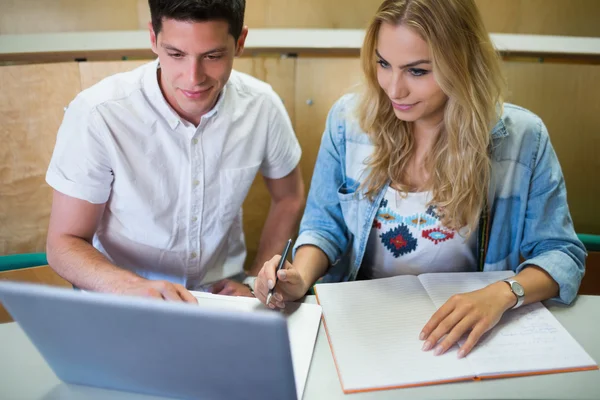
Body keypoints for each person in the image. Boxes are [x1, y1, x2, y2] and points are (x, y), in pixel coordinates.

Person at [254, 0, 586, 358]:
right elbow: (324, 227)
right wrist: (299, 277)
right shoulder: (347, 123)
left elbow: (562, 254)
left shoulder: (523, 139)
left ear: (461, 64)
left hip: (466, 336)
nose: (394, 89)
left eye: (417, 71)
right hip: (363, 329)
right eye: (383, 64)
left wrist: (503, 292)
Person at [45, 0, 305, 303]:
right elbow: (63, 243)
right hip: (123, 294)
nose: (193, 77)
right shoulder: (98, 113)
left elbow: (289, 196)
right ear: (153, 39)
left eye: (213, 55)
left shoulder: (262, 106)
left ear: (240, 42)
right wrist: (131, 287)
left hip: (221, 295)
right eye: (176, 54)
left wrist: (254, 281)